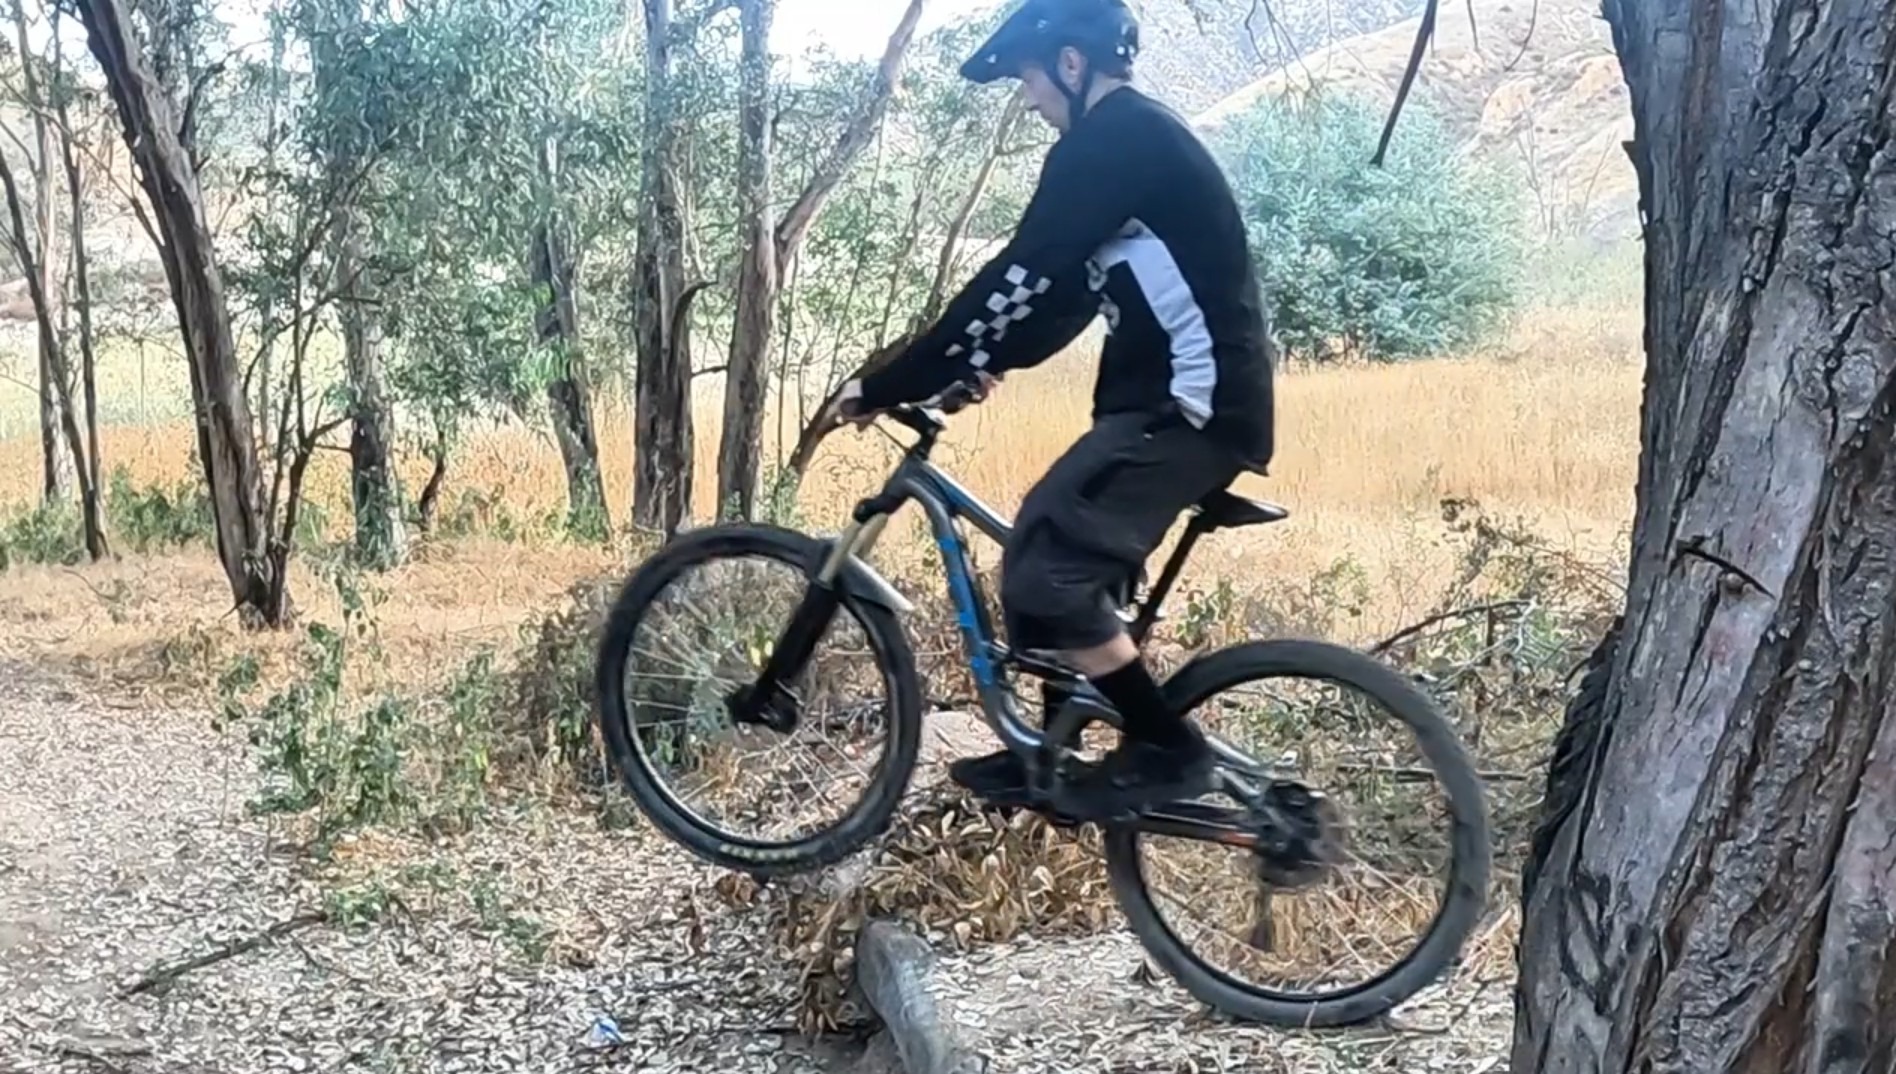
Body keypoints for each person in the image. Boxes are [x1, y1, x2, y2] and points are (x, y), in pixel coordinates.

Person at [833, 0, 1276, 820]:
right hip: (1172, 404)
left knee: (1047, 562)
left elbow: (1018, 272)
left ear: (1073, 67)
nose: (1029, 99)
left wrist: (888, 380)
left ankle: (1171, 752)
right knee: (1052, 546)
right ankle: (1052, 758)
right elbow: (1059, 300)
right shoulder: (1124, 148)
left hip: (1193, 405)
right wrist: (976, 366)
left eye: (1031, 79)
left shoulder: (1113, 142)